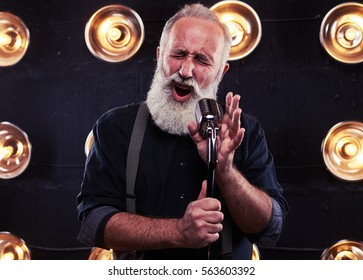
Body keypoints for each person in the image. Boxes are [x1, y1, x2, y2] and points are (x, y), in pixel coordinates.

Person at [76, 3, 288, 260]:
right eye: (178, 54)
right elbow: (93, 221)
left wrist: (225, 170)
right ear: (159, 55)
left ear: (221, 72)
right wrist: (178, 231)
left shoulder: (245, 131)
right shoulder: (114, 127)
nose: (185, 71)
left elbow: (269, 226)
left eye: (201, 60)